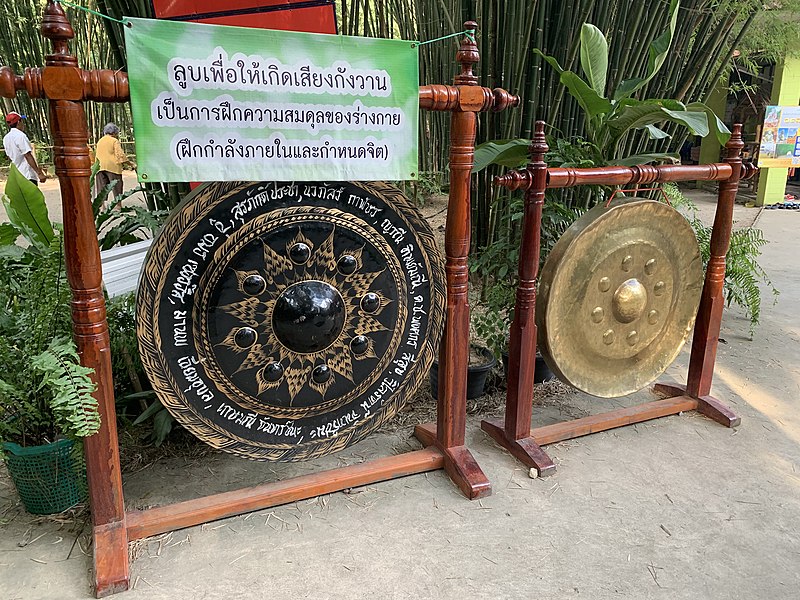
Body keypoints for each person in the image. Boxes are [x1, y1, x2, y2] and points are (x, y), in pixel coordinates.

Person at [3, 111, 47, 185]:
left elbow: (9, 156)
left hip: (16, 175)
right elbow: (27, 155)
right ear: (18, 122)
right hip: (27, 174)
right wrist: (39, 173)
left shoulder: (6, 138)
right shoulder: (20, 136)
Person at [95, 122, 128, 202]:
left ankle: (102, 207)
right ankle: (118, 206)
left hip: (99, 167)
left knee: (101, 188)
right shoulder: (114, 141)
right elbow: (120, 154)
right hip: (112, 166)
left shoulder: (100, 141)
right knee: (117, 186)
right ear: (114, 132)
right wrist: (128, 163)